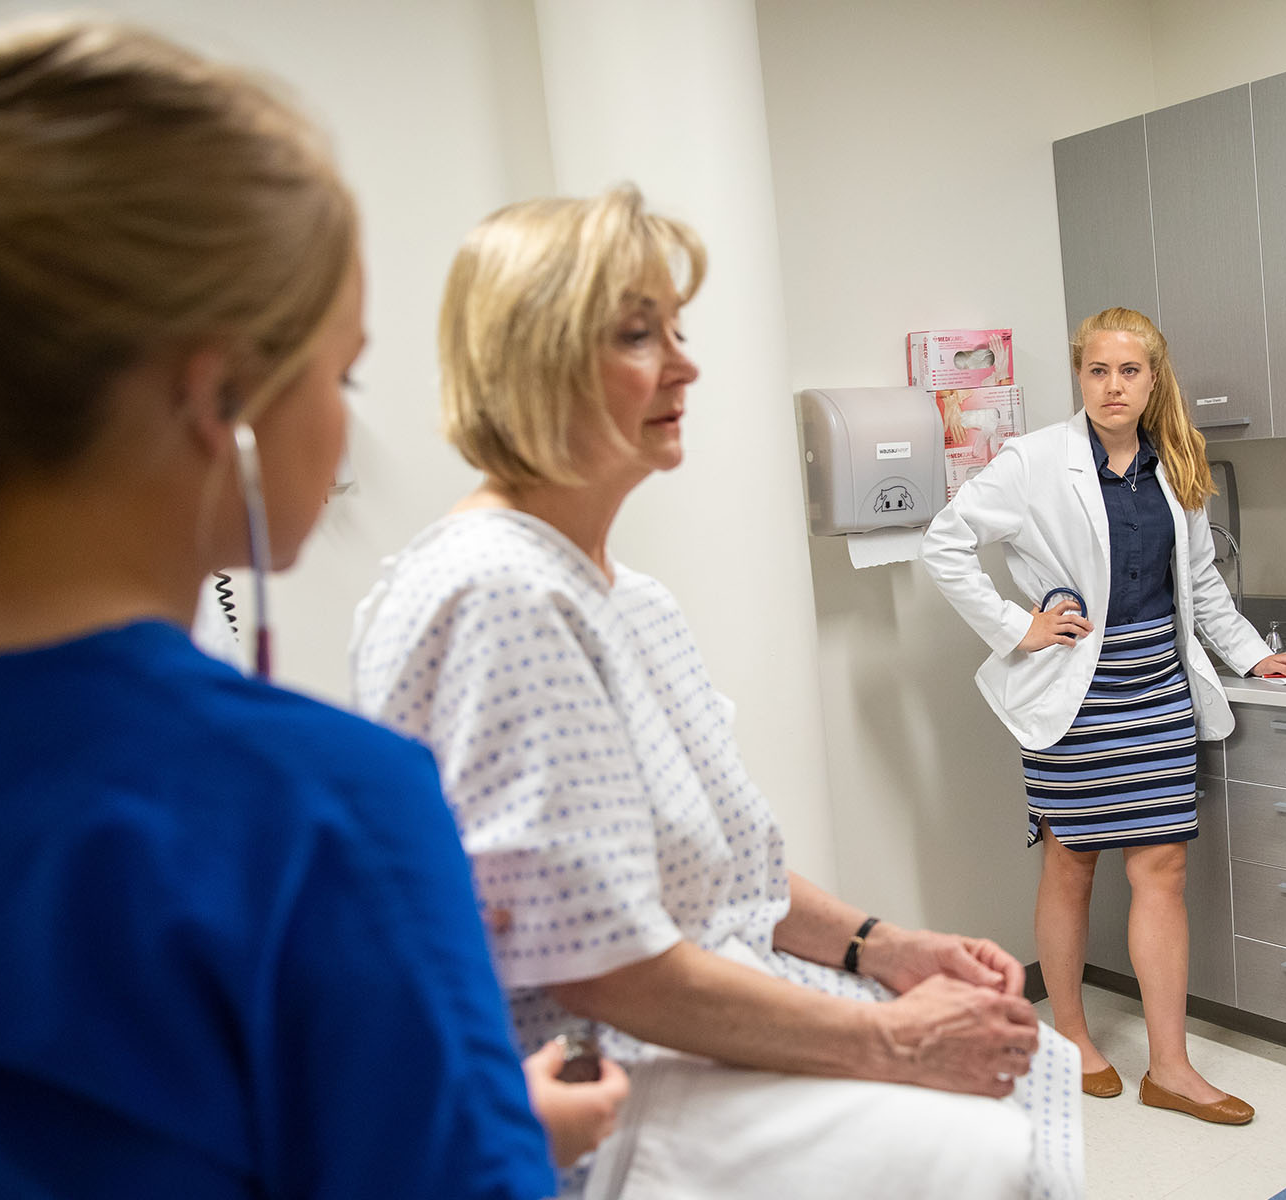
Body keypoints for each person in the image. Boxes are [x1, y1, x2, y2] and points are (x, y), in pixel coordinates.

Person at [0, 19, 618, 1196]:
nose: (349, 418)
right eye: (344, 372)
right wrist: (498, 1126)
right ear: (222, 396)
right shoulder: (324, 814)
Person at [351, 185, 1085, 1200]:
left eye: (678, 329)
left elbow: (729, 872)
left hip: (718, 999)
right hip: (604, 1075)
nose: (687, 363)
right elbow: (600, 967)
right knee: (977, 1149)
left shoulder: (631, 600)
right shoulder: (495, 594)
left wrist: (884, 948)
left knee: (1020, 1057)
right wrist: (889, 1042)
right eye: (638, 333)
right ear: (533, 357)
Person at [921, 306, 1286, 1126]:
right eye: (1098, 370)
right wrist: (1015, 627)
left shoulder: (1175, 461)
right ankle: (1068, 1035)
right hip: (1077, 696)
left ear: (1152, 379)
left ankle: (1169, 1065)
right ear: (1080, 375)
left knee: (1161, 870)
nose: (1113, 386)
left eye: (1129, 371)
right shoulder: (1034, 462)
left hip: (1157, 691)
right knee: (1071, 864)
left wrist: (1251, 656)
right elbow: (944, 544)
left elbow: (1200, 585)